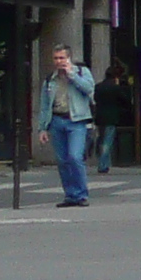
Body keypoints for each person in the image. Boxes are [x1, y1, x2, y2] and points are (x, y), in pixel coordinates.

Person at [39, 46, 96, 208]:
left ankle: (81, 194)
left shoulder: (81, 72)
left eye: (62, 58)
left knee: (75, 157)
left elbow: (89, 89)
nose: (59, 61)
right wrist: (42, 128)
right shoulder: (51, 79)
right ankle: (70, 195)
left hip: (76, 120)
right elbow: (44, 105)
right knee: (63, 160)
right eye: (56, 58)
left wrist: (71, 74)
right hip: (57, 120)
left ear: (69, 58)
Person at [90, 59, 134, 175]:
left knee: (101, 139)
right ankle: (103, 165)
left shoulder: (98, 87)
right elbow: (125, 100)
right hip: (112, 117)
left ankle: (104, 162)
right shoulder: (116, 88)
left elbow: (94, 99)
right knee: (107, 141)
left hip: (100, 117)